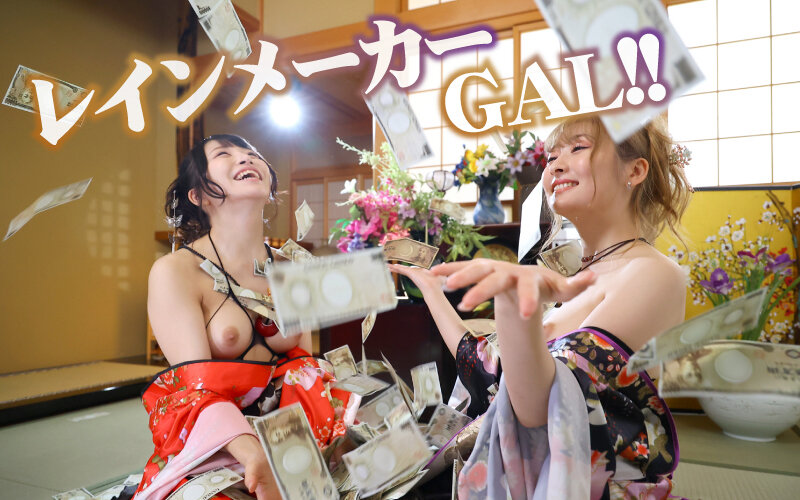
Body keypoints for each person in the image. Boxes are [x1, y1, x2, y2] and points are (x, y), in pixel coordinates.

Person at [391, 114, 691, 499]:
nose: (555, 166)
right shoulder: (578, 275)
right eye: (551, 157)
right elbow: (496, 379)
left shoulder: (652, 273)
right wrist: (431, 289)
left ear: (634, 170)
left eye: (578, 148)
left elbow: (540, 411)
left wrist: (513, 302)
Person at [132, 135, 357, 500]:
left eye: (253, 154)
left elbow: (304, 368)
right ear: (199, 196)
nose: (246, 158)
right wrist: (253, 454)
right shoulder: (175, 271)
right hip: (218, 449)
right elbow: (192, 392)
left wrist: (336, 434)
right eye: (224, 154)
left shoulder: (291, 269)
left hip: (292, 438)